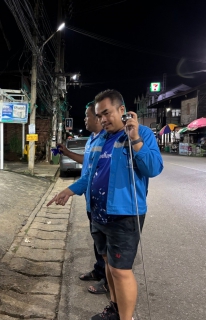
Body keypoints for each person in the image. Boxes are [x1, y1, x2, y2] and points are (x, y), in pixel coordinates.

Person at [48, 89, 163, 320]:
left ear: (122, 110)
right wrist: (69, 191)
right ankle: (114, 308)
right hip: (98, 213)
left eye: (107, 113)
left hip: (124, 215)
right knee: (108, 264)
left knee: (121, 271)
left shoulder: (142, 135)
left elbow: (153, 168)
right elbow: (88, 176)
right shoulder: (100, 139)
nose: (102, 119)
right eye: (99, 115)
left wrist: (136, 139)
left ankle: (126, 318)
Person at [58, 101, 108, 295]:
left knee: (106, 245)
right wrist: (67, 152)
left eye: (87, 116)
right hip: (91, 199)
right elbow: (87, 165)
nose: (85, 119)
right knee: (97, 241)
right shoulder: (92, 139)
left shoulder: (107, 139)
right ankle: (99, 270)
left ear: (98, 117)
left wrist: (70, 190)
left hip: (104, 202)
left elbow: (96, 172)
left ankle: (107, 279)